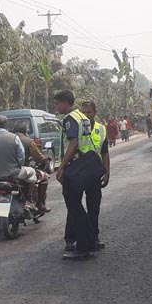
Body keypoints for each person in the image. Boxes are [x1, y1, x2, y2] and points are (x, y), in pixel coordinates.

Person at [54, 91, 101, 260]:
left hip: (74, 167)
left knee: (74, 207)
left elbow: (73, 143)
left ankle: (82, 247)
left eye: (58, 103)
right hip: (86, 166)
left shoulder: (69, 119)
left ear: (66, 103)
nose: (57, 107)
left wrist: (61, 166)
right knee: (79, 208)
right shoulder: (82, 116)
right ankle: (89, 241)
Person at [66, 101, 109, 252]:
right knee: (75, 207)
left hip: (93, 173)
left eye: (89, 112)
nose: (86, 115)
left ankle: (94, 238)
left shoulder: (101, 129)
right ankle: (70, 239)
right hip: (77, 172)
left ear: (95, 113)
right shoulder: (75, 127)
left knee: (93, 207)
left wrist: (107, 172)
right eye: (83, 112)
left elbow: (104, 152)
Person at [0, 116, 37, 187]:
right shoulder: (14, 138)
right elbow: (21, 157)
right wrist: (18, 166)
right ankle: (29, 196)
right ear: (6, 125)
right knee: (32, 171)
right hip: (14, 174)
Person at [12, 124, 50, 213]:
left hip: (6, 171)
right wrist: (46, 158)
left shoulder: (8, 141)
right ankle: (39, 204)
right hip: (22, 170)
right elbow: (38, 157)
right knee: (43, 177)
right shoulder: (29, 142)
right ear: (25, 132)